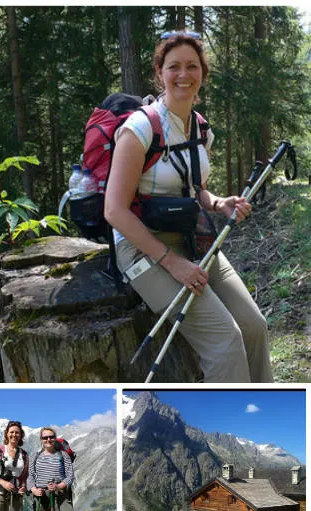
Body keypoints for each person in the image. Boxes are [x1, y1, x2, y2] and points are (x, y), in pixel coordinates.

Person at [105, 30, 273, 383]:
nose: (184, 75)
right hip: (143, 250)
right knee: (225, 342)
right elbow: (115, 211)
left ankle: (261, 406)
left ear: (203, 74)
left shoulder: (199, 129)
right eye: (174, 66)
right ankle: (233, 426)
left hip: (192, 240)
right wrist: (171, 262)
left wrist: (218, 203)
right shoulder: (139, 129)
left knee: (254, 326)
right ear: (159, 73)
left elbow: (195, 191)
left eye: (192, 66)